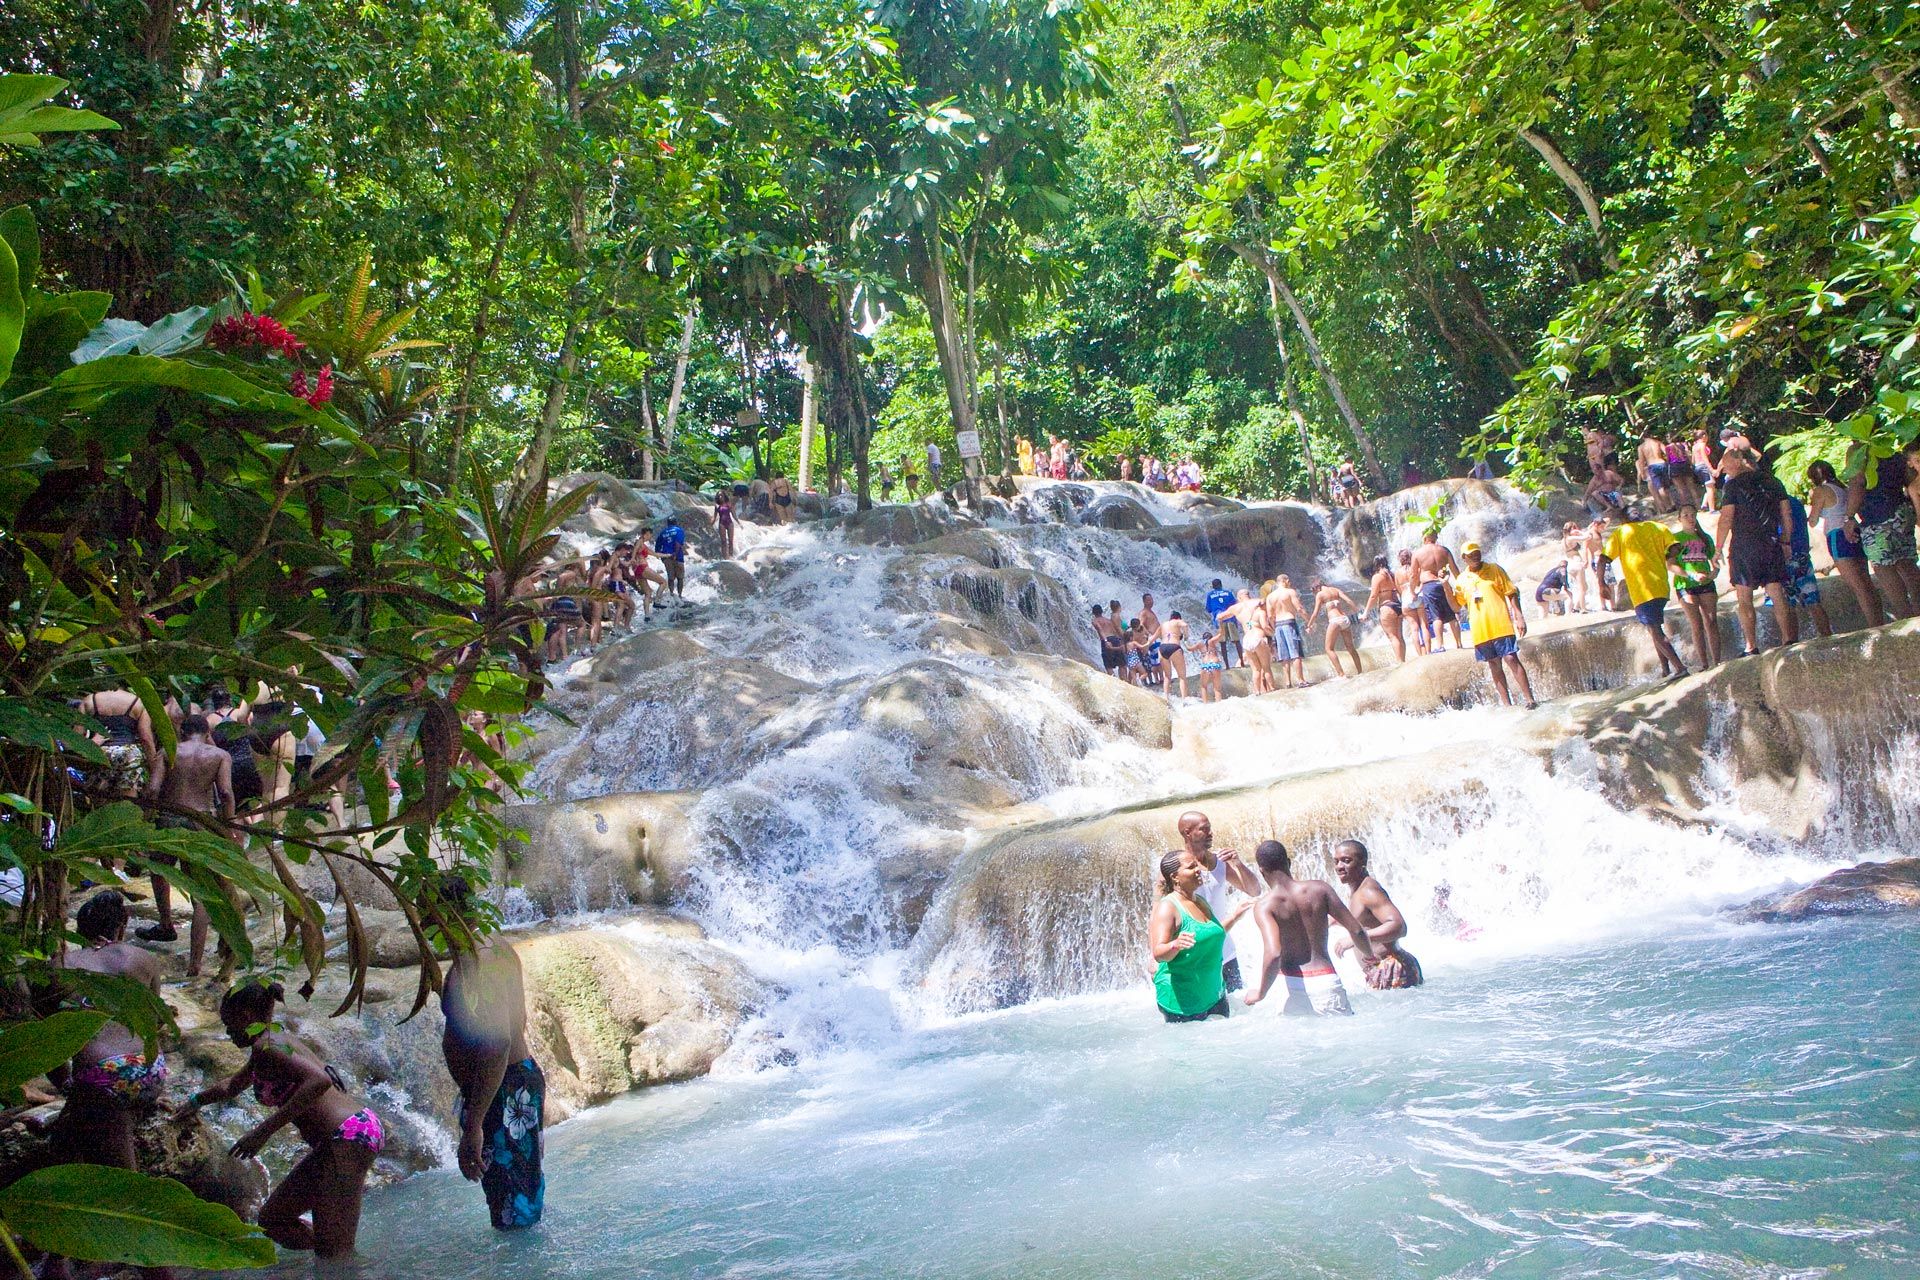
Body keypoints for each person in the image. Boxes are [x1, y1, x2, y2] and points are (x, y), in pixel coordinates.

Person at [181, 980, 385, 1259]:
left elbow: (319, 1081)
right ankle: (335, 1251)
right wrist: (194, 1102)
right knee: (274, 1220)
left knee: (334, 1255)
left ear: (246, 1017)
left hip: (347, 1136)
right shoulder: (270, 1042)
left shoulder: (270, 1045)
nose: (229, 1034)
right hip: (343, 1138)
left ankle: (337, 1255)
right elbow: (231, 1086)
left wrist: (261, 1133)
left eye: (229, 1027)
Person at [46, 889, 171, 1263]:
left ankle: (144, 1259)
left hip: (103, 1077)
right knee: (63, 1144)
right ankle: (59, 1259)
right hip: (150, 1070)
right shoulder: (144, 958)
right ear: (123, 925)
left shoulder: (59, 965)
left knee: (127, 1189)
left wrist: (67, 1085)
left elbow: (52, 1041)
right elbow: (156, 1024)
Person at [437, 876, 546, 1230]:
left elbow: (498, 1041)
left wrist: (475, 1124)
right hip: (511, 1084)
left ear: (443, 912)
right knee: (515, 1198)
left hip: (505, 1088)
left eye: (425, 913)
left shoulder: (482, 959)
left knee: (513, 1208)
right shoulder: (492, 947)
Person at [1241, 840, 1375, 1016]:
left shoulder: (1265, 906)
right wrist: (1370, 958)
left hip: (1290, 985)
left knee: (1297, 1043)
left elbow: (1274, 953)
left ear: (1261, 870)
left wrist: (1260, 993)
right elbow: (1357, 930)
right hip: (1326, 982)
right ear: (1288, 862)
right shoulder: (1320, 889)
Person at [153, 714, 237, 976]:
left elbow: (153, 789)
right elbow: (225, 794)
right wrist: (229, 827)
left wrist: (146, 819)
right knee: (202, 892)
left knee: (158, 870)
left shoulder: (167, 751)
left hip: (167, 819)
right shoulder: (220, 755)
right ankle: (195, 963)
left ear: (181, 731)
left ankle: (166, 922)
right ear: (207, 732)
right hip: (200, 821)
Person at [1149, 850, 1252, 1023]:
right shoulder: (1168, 908)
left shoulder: (1199, 901)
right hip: (1183, 1003)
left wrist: (1234, 916)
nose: (1198, 870)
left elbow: (1213, 933)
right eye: (1191, 867)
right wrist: (1175, 944)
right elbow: (1159, 953)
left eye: (1197, 865)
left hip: (1215, 994)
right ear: (1175, 877)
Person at [1715, 447, 1796, 655]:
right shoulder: (1772, 481)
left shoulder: (1733, 486)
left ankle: (1751, 645)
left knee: (1744, 596)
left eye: (1726, 465)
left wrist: (1718, 548)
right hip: (1771, 542)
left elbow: (1726, 518)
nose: (1724, 471)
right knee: (1776, 592)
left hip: (1744, 545)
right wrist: (1786, 541)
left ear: (1739, 460)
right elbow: (1786, 513)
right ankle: (1788, 639)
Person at [1173, 810, 1258, 993]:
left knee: (1236, 1011)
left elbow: (1254, 890)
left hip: (1226, 951)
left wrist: (1239, 864)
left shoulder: (1220, 862)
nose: (1210, 833)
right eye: (1204, 830)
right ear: (1188, 832)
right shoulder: (1177, 869)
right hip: (1197, 955)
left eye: (1210, 828)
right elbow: (1159, 909)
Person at [1599, 513, 1689, 678]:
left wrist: (1601, 584)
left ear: (1625, 519)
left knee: (1654, 629)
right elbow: (1676, 547)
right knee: (1653, 628)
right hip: (1661, 586)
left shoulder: (1622, 531)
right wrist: (1664, 558)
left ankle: (1680, 667)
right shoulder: (1658, 527)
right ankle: (1665, 669)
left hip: (1642, 589)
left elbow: (1603, 559)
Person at [1450, 541, 1536, 707]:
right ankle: (1507, 704)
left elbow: (1511, 593)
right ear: (1464, 558)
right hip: (1480, 629)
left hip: (1500, 623)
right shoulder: (1461, 580)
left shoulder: (1495, 569)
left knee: (1511, 658)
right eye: (1471, 555)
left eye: (1477, 553)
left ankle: (1529, 699)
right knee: (1494, 664)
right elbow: (1455, 606)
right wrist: (1446, 585)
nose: (1475, 556)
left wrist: (1519, 616)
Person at [1331, 840, 1423, 989]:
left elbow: (1399, 926)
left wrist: (1357, 938)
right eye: (1336, 862)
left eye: (1346, 861)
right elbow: (1366, 921)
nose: (1339, 867)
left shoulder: (1368, 891)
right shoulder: (1357, 890)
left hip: (1393, 969)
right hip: (1383, 970)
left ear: (1362, 863)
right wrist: (1335, 920)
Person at [1844, 444, 1920, 619]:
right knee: (1907, 564)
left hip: (1876, 516)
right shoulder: (1887, 447)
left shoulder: (1857, 451)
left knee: (1883, 567)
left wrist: (1848, 518)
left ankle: (1905, 619)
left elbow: (1858, 482)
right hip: (1901, 512)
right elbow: (1909, 477)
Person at [1806, 459, 1882, 626]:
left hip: (1837, 536)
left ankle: (1874, 625)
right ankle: (1880, 620)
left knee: (1857, 586)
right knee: (1866, 581)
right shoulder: (1844, 488)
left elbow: (1813, 520)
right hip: (1854, 532)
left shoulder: (1821, 491)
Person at [1665, 503, 1723, 668]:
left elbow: (1715, 562)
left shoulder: (1705, 538)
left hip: (1706, 583)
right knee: (1696, 624)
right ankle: (1704, 664)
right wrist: (1690, 574)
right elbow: (1670, 565)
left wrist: (1714, 573)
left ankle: (1717, 661)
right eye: (1686, 516)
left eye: (1692, 515)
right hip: (1685, 584)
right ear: (1679, 519)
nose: (1690, 519)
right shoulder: (1675, 540)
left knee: (1711, 621)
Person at [1783, 489, 1833, 639]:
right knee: (1812, 599)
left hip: (1785, 557)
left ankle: (1791, 641)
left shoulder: (1776, 503)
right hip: (1802, 555)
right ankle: (1827, 635)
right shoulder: (1795, 502)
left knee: (1787, 604)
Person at [1410, 532, 1463, 651]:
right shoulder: (1444, 550)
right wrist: (1462, 584)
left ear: (1424, 538)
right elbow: (1454, 569)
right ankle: (1459, 643)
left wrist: (1412, 590)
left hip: (1429, 586)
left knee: (1436, 616)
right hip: (1444, 583)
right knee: (1451, 615)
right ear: (1435, 537)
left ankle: (1440, 645)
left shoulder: (1418, 553)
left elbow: (1413, 575)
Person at [1306, 580, 1363, 677]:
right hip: (1345, 620)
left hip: (1335, 621)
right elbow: (1348, 601)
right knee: (1351, 648)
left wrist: (1309, 625)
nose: (1314, 593)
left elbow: (1315, 613)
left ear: (1317, 587)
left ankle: (1341, 674)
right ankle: (1360, 672)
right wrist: (1359, 613)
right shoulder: (1335, 590)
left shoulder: (1320, 594)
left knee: (1329, 649)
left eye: (1313, 591)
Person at [1265, 575, 1311, 688]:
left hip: (1278, 626)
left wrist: (1273, 628)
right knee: (1295, 653)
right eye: (1289, 581)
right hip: (1289, 622)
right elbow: (1299, 608)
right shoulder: (1290, 592)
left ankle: (1288, 682)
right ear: (1286, 581)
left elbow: (1270, 616)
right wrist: (1309, 621)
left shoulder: (1270, 597)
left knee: (1284, 655)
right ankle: (1301, 680)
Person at [1226, 589, 1275, 695]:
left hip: (1247, 640)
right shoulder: (1260, 612)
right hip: (1258, 637)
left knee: (1256, 670)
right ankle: (1272, 689)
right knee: (1266, 668)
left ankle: (1257, 691)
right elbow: (1265, 627)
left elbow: (1220, 617)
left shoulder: (1237, 609)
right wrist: (1273, 633)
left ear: (1239, 598)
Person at [1365, 556, 1410, 662]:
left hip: (1386, 607)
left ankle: (1400, 663)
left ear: (1376, 564)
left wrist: (1366, 612)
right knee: (1400, 636)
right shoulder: (1392, 575)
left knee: (1392, 637)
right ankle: (1403, 661)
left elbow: (1373, 596)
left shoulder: (1377, 577)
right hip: (1397, 606)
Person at [1204, 579, 1241, 668]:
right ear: (1221, 584)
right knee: (1236, 641)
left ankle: (1227, 665)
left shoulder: (1210, 595)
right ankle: (1242, 661)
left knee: (1223, 643)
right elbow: (1234, 604)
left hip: (1219, 619)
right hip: (1230, 618)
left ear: (1213, 586)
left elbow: (1208, 609)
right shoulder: (1228, 592)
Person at [1157, 611, 1191, 701]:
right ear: (1178, 618)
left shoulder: (1164, 624)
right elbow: (1185, 625)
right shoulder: (1177, 621)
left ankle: (1166, 698)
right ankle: (1184, 700)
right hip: (1174, 647)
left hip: (1162, 648)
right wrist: (1186, 636)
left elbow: (1153, 638)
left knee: (1167, 676)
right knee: (1182, 677)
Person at [1561, 521, 1592, 613]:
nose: (1576, 529)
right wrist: (1580, 532)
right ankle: (1583, 608)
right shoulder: (1571, 538)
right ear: (1570, 530)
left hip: (1570, 565)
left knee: (1585, 587)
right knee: (1582, 588)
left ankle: (1576, 607)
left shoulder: (1563, 540)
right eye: (1574, 528)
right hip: (1577, 564)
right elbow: (1587, 537)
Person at [655, 516, 688, 599]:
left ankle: (672, 594)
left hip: (666, 557)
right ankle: (680, 595)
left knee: (670, 577)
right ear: (675, 522)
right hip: (678, 556)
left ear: (668, 523)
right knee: (680, 577)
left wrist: (661, 557)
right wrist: (675, 554)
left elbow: (657, 547)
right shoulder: (678, 530)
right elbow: (678, 543)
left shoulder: (663, 532)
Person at [1091, 604, 1126, 678]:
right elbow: (1115, 631)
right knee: (1121, 664)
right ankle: (1124, 680)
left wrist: (1106, 641)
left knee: (1108, 665)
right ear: (1101, 611)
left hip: (1107, 640)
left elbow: (1100, 629)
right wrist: (1120, 641)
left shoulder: (1095, 621)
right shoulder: (1108, 620)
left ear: (1093, 613)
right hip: (1115, 639)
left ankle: (1114, 681)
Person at [1192, 629, 1225, 703]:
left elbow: (1189, 649)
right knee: (1217, 688)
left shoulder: (1199, 644)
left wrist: (1185, 640)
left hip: (1205, 665)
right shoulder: (1212, 641)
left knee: (1203, 686)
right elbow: (1221, 634)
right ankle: (1219, 703)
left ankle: (1205, 704)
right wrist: (1220, 623)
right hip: (1215, 664)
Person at [714, 489, 738, 556]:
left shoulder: (728, 504)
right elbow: (714, 516)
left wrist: (738, 522)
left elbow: (734, 514)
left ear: (724, 496)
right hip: (722, 523)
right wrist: (710, 523)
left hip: (730, 523)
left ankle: (731, 555)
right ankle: (725, 557)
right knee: (723, 541)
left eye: (721, 495)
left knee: (731, 541)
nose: (720, 497)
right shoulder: (717, 506)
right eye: (719, 496)